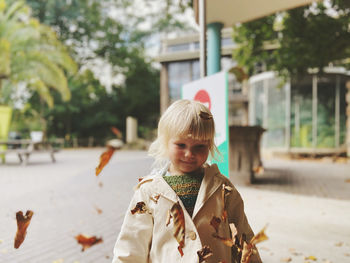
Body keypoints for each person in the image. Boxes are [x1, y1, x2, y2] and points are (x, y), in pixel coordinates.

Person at [112, 99, 262, 263]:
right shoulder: (148, 191)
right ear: (165, 142)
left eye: (200, 146)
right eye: (181, 145)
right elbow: (131, 246)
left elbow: (244, 235)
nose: (189, 153)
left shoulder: (222, 187)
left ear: (210, 145)